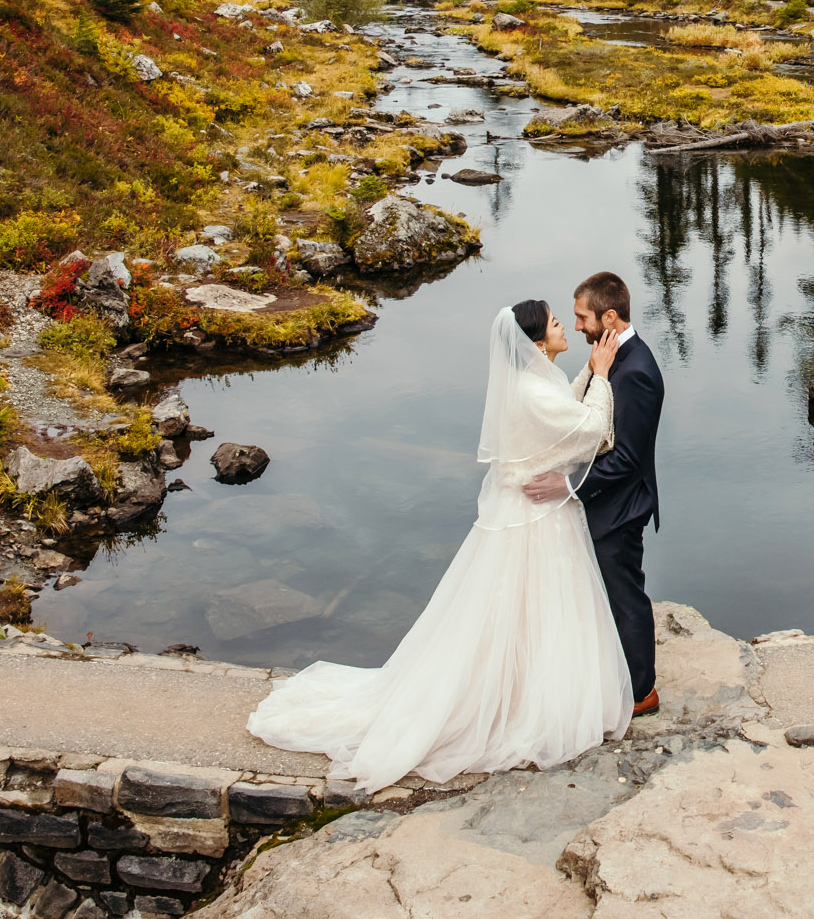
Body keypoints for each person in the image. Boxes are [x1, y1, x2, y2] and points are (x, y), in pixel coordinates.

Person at [244, 299, 631, 789]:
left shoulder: (531, 383)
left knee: (519, 606)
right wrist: (601, 374)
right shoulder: (533, 390)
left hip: (526, 508)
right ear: (536, 343)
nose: (563, 327)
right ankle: (515, 704)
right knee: (532, 602)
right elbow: (590, 428)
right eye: (556, 322)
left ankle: (521, 690)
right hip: (533, 517)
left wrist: (588, 377)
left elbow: (566, 415)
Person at [528, 270, 663, 716]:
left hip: (621, 507)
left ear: (609, 317)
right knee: (607, 594)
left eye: (583, 318)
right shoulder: (611, 362)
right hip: (603, 501)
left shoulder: (637, 372)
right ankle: (617, 675)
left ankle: (642, 691)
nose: (579, 327)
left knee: (626, 596)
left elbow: (626, 458)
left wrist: (566, 485)